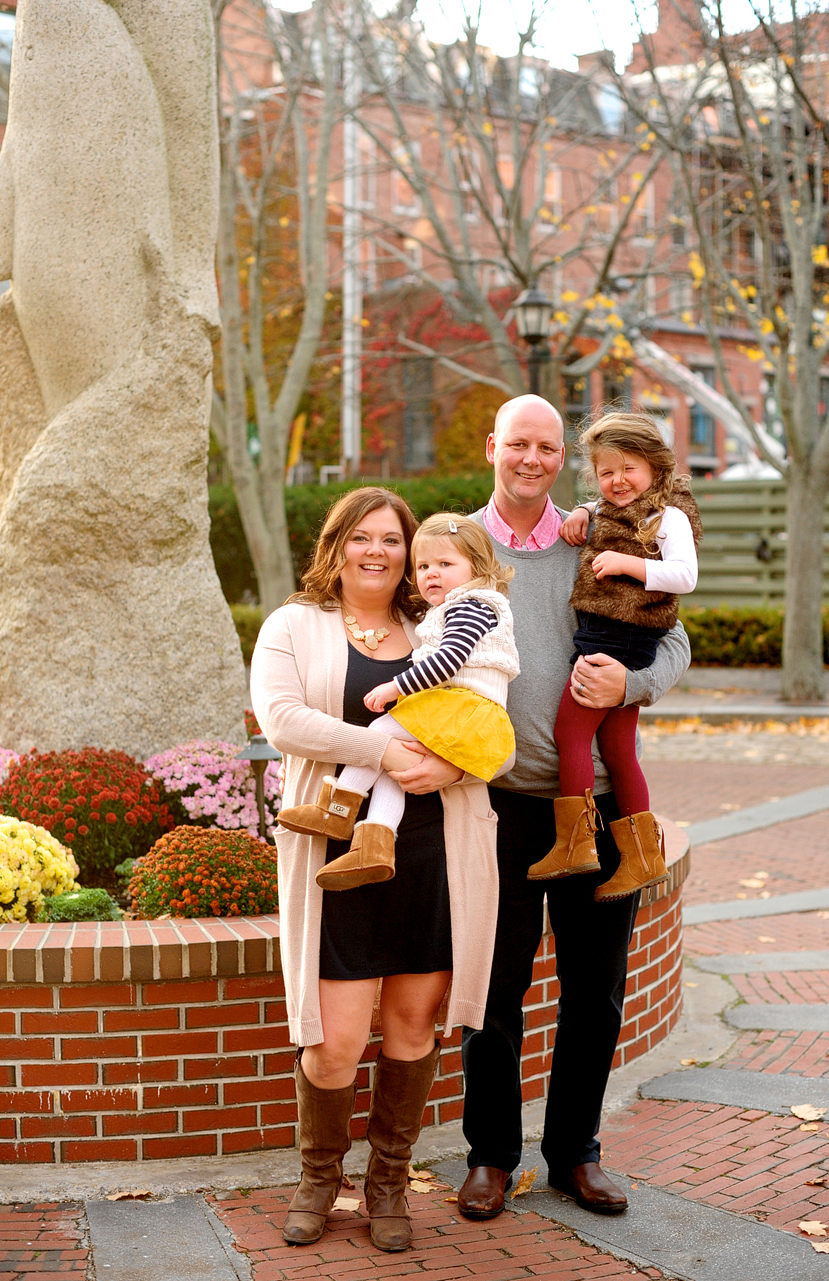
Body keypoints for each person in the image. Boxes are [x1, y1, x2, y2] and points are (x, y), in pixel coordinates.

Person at [457, 394, 691, 1221]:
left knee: (595, 992)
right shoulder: (459, 544)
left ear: (563, 459)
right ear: (493, 446)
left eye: (547, 447)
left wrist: (636, 683)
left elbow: (675, 634)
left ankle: (574, 1155)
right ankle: (490, 1155)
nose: (531, 458)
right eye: (517, 443)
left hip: (596, 806)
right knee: (495, 992)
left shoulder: (595, 534)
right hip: (499, 805)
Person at [251, 487, 500, 1254]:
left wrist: (447, 769)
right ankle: (318, 1178)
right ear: (337, 545)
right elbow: (282, 718)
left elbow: (490, 726)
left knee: (411, 1029)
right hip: (334, 856)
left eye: (393, 540)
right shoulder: (295, 625)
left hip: (430, 855)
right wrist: (384, 752)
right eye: (363, 537)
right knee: (333, 1040)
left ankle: (387, 1182)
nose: (379, 551)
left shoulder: (441, 624)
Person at [278, 513, 519, 891]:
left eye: (445, 564)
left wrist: (396, 688)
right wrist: (394, 754)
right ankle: (375, 843)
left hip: (461, 712)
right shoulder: (293, 622)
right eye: (424, 565)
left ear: (477, 567)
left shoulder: (469, 606)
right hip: (458, 711)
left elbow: (447, 661)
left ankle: (338, 809)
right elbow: (283, 722)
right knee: (395, 766)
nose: (431, 574)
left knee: (383, 728)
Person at [527, 412, 701, 896]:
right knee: (619, 749)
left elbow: (685, 576)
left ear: (656, 468)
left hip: (620, 637)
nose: (617, 481)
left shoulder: (668, 517)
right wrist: (584, 511)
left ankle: (576, 844)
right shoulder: (613, 508)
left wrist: (629, 563)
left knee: (570, 734)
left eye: (629, 469)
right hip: (616, 634)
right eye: (606, 473)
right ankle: (644, 858)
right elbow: (602, 508)